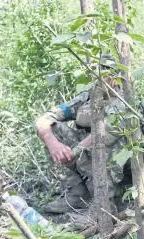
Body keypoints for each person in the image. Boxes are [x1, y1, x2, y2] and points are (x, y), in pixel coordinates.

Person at [35, 54, 129, 214]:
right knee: (54, 129)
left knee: (103, 144)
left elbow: (105, 133)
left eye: (106, 75)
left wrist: (76, 151)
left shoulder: (127, 101)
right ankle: (78, 194)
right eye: (97, 74)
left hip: (125, 165)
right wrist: (53, 144)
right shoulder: (87, 97)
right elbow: (43, 119)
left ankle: (107, 202)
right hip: (89, 156)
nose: (100, 80)